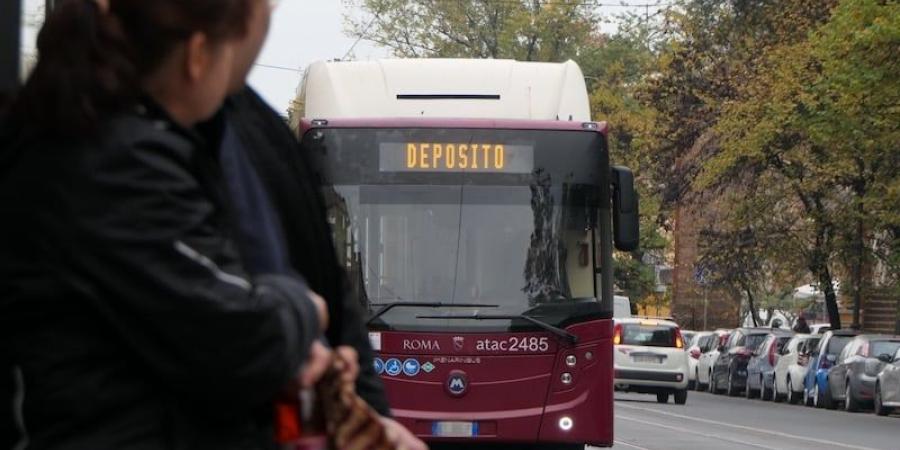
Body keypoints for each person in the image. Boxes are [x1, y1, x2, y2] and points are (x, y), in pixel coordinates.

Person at [0, 0, 337, 448]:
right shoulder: (123, 164)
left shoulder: (97, 138)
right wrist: (304, 306)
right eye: (230, 50)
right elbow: (239, 337)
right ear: (197, 55)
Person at [217, 3, 425, 447]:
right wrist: (302, 319)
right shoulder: (153, 138)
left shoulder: (248, 123)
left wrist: (372, 422)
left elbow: (326, 282)